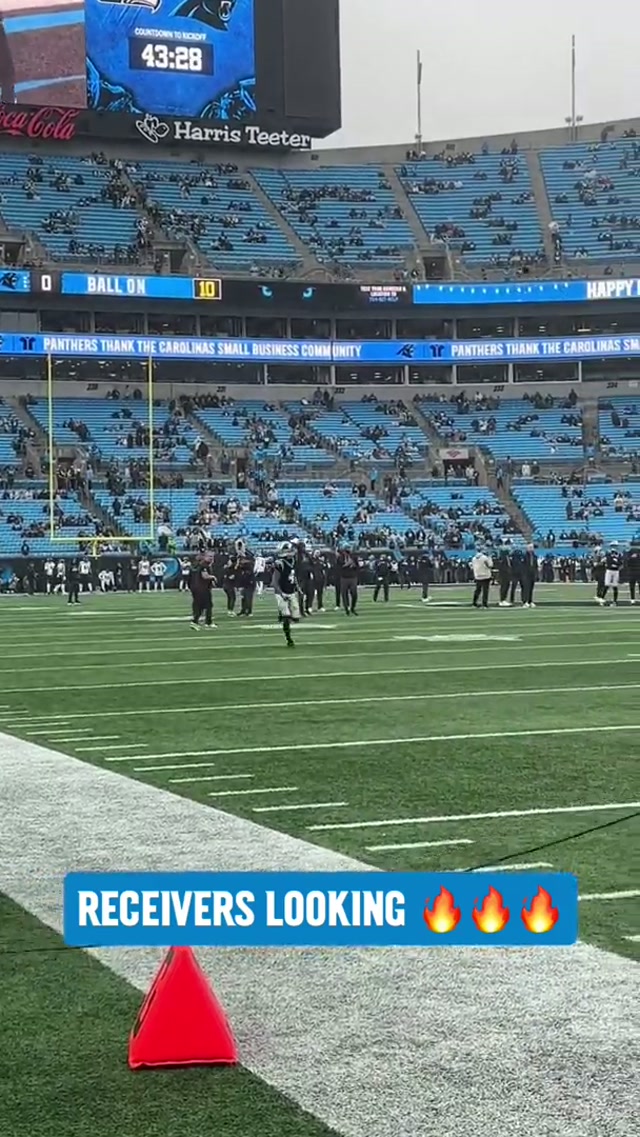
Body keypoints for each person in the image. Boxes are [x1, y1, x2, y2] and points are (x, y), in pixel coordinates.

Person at [272, 541, 299, 648]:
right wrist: (280, 592)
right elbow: (274, 581)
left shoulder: (293, 561)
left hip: (291, 591)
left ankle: (282, 615)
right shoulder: (280, 563)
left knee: (296, 617)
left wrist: (298, 588)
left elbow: (293, 576)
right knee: (287, 617)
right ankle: (289, 639)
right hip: (282, 592)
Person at [189, 554, 216, 631]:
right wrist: (213, 577)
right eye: (209, 556)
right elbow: (205, 576)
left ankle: (206, 622)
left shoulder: (197, 566)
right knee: (205, 606)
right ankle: (198, 622)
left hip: (197, 589)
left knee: (203, 606)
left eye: (212, 557)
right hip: (202, 589)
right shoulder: (204, 566)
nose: (211, 558)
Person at [337, 545, 359, 616]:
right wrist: (347, 564)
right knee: (344, 594)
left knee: (354, 593)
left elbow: (358, 566)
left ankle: (352, 607)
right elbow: (338, 567)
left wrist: (354, 565)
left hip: (352, 577)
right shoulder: (340, 558)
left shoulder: (354, 557)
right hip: (344, 577)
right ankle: (347, 609)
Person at [601, 541, 624, 606]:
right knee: (607, 584)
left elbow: (621, 563)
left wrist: (618, 567)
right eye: (613, 546)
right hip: (609, 570)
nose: (614, 547)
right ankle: (602, 599)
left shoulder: (619, 554)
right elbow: (607, 560)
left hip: (616, 571)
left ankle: (615, 601)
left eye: (615, 546)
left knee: (615, 586)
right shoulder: (608, 553)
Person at [521, 543, 539, 608]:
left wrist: (536, 574)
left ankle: (530, 601)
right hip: (526, 574)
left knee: (531, 588)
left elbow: (536, 566)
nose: (531, 549)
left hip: (532, 574)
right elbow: (522, 566)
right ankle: (525, 601)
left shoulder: (534, 556)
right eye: (530, 547)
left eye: (532, 547)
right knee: (526, 588)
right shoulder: (524, 556)